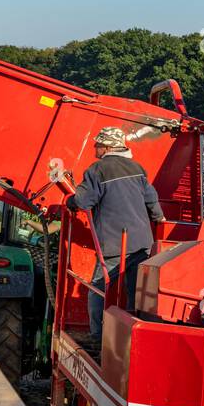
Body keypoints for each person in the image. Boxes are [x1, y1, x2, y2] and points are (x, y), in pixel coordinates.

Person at [65, 127, 165, 338]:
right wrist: (159, 219)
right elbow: (151, 199)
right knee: (136, 294)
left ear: (108, 147)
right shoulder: (137, 168)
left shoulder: (98, 169)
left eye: (98, 144)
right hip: (142, 243)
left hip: (114, 245)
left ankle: (97, 335)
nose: (95, 147)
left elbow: (84, 201)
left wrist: (70, 202)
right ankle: (132, 336)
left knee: (98, 288)